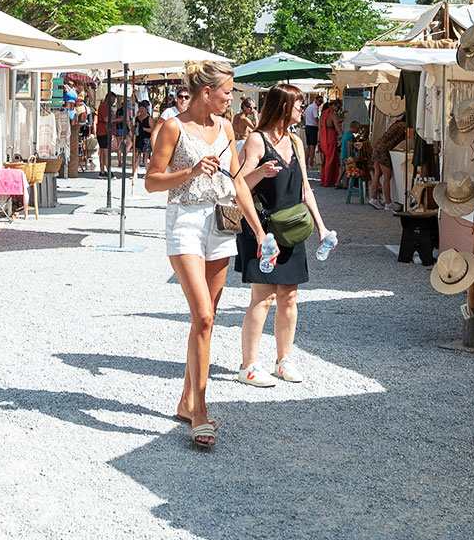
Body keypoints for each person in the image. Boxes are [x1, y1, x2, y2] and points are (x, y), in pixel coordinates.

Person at [145, 60, 269, 451]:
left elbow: (236, 183)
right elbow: (151, 181)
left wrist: (261, 232)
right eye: (227, 92)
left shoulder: (227, 128)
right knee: (202, 315)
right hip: (184, 220)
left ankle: (185, 400)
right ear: (206, 93)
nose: (232, 98)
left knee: (208, 319)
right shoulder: (173, 127)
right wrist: (193, 170)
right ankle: (200, 410)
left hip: (222, 223)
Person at [233, 83, 333, 388]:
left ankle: (283, 359)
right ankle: (249, 365)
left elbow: (305, 190)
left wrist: (322, 227)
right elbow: (238, 186)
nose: (302, 109)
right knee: (262, 298)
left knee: (289, 296)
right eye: (298, 104)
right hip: (263, 231)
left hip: (291, 229)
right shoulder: (257, 140)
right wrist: (260, 173)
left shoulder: (297, 142)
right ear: (282, 106)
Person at [370, 115, 406, 209]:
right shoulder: (404, 126)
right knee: (387, 176)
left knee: (377, 174)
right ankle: (388, 202)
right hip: (383, 150)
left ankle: (373, 198)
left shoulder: (397, 124)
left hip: (377, 147)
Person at [319, 99, 343, 188]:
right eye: (338, 107)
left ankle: (324, 180)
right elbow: (337, 128)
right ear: (333, 105)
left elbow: (319, 128)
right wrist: (345, 136)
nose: (338, 109)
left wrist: (319, 140)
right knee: (331, 159)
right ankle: (329, 180)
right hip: (330, 136)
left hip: (323, 136)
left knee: (325, 160)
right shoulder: (332, 115)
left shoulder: (323, 114)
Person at [131, 100, 154, 177]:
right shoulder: (136, 118)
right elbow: (132, 129)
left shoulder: (149, 118)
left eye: (143, 108)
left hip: (146, 138)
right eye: (140, 108)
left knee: (146, 156)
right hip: (138, 138)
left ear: (146, 109)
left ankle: (148, 173)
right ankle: (135, 172)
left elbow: (153, 129)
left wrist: (143, 129)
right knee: (136, 155)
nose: (141, 110)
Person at [96, 92, 113, 177]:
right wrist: (118, 119)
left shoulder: (105, 106)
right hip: (103, 131)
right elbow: (106, 119)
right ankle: (108, 169)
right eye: (113, 100)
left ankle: (102, 170)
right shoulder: (104, 106)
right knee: (105, 152)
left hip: (103, 131)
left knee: (103, 151)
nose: (113, 102)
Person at [302, 92, 322, 159]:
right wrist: (319, 125)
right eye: (319, 101)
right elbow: (316, 118)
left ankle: (307, 163)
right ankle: (310, 164)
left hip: (308, 126)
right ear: (315, 100)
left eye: (321, 102)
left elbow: (304, 115)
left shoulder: (309, 106)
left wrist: (307, 122)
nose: (320, 103)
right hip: (313, 127)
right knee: (312, 146)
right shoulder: (315, 107)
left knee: (308, 146)